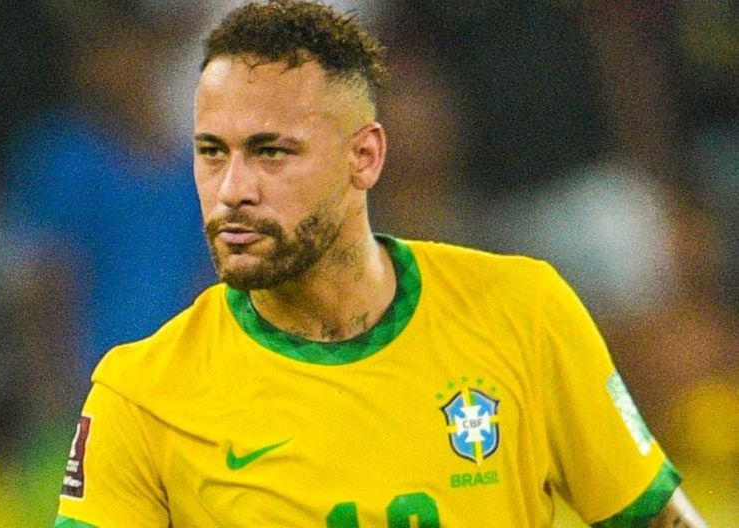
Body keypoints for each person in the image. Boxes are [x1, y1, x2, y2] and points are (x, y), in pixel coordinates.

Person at [53, 1, 708, 526]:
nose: (233, 189)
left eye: (272, 152)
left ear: (363, 157)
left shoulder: (524, 315)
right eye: (211, 152)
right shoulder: (141, 395)